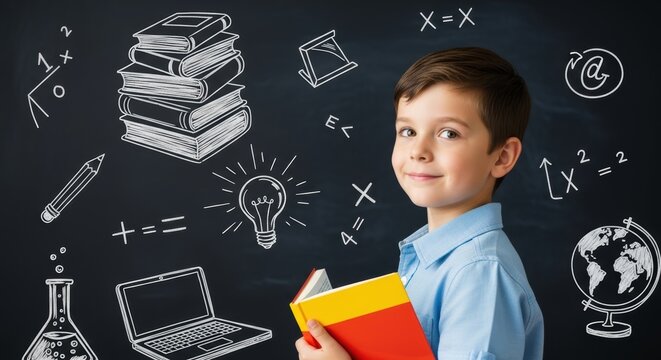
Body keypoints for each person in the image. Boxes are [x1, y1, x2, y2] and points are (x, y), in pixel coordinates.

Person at [295, 47, 544, 360]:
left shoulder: (480, 273)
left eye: (448, 133)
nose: (418, 150)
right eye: (408, 131)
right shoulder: (435, 257)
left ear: (502, 156)